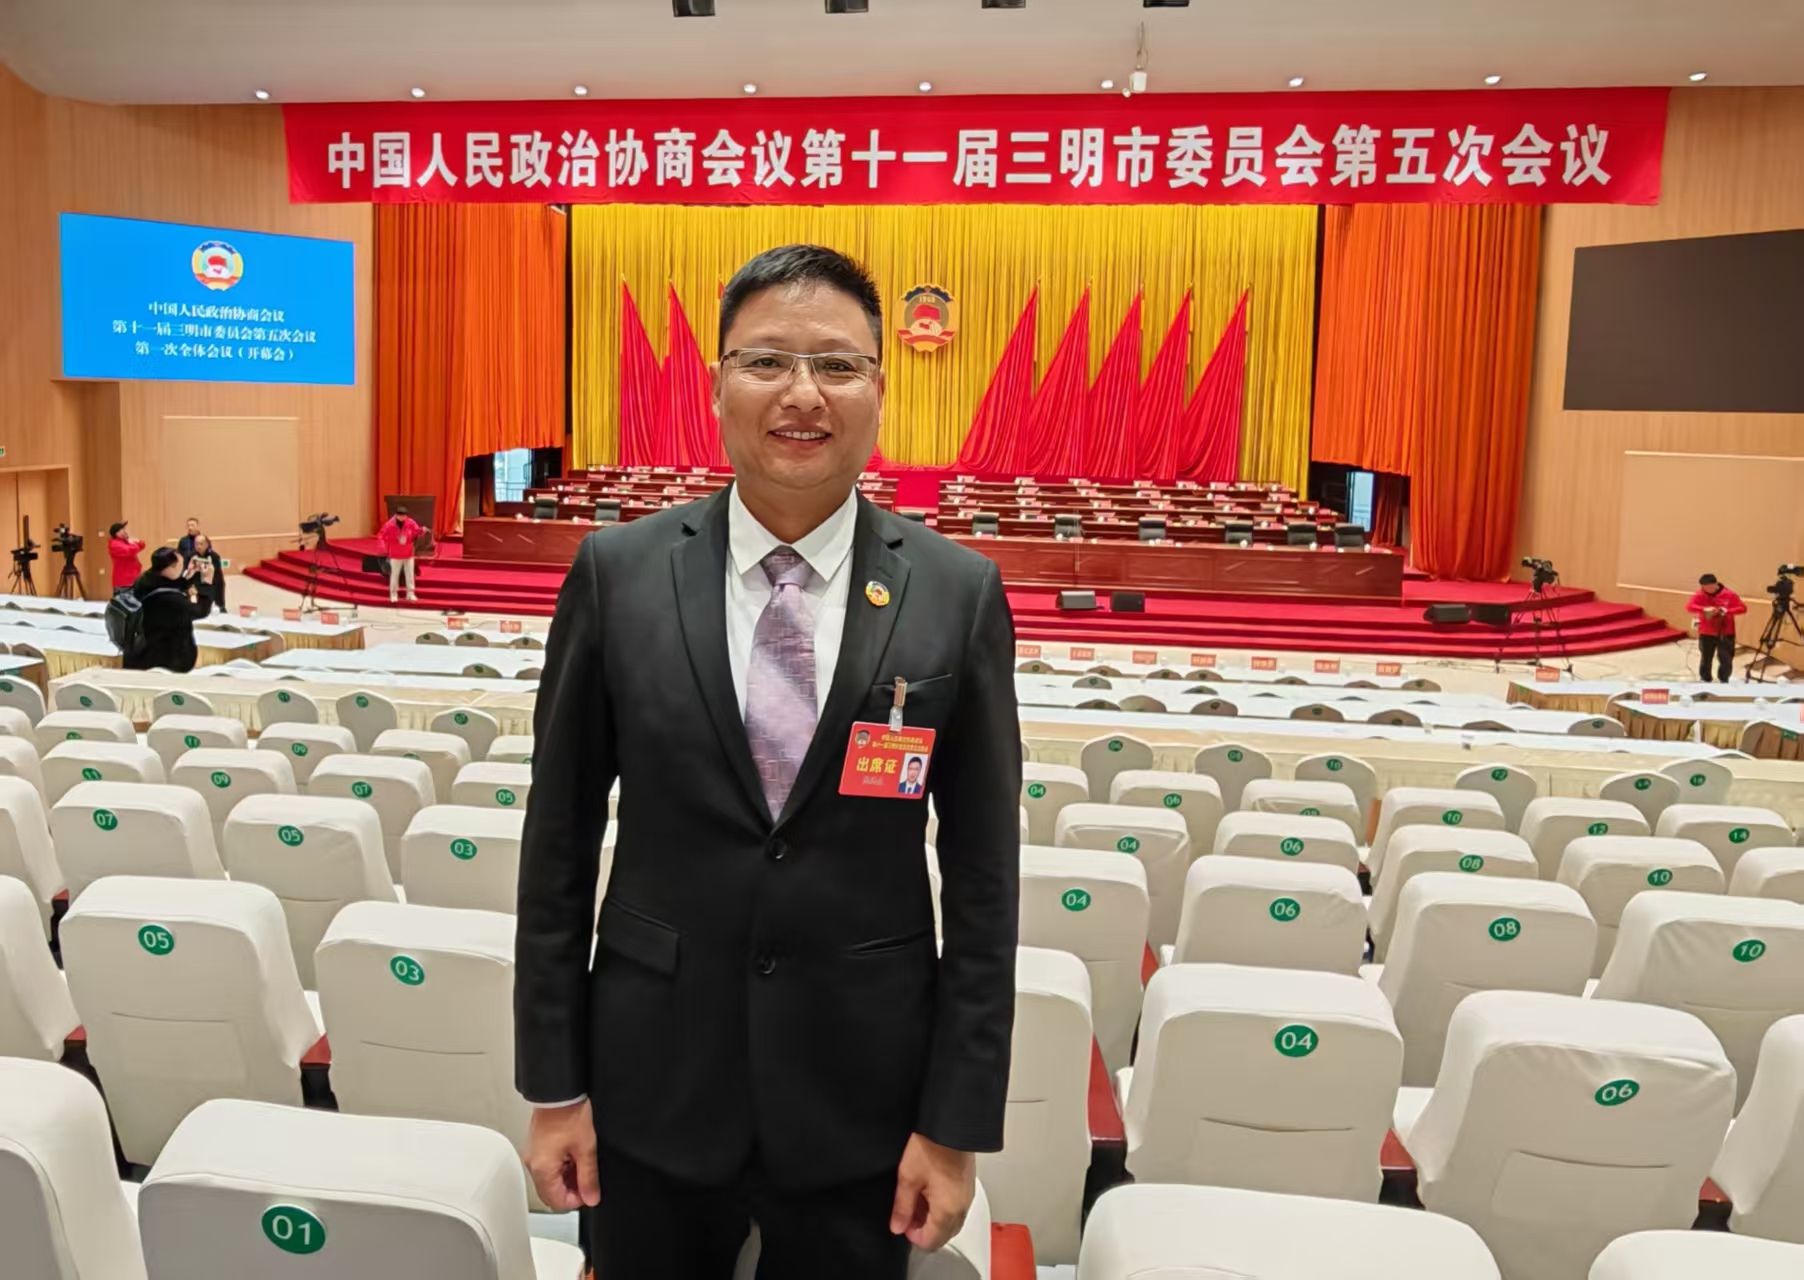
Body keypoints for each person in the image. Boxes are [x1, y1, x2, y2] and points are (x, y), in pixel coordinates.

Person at [516, 244, 1019, 1279]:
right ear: (716, 385)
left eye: (837, 364)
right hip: (649, 1084)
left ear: (880, 388)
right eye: (767, 361)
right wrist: (555, 1086)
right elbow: (557, 844)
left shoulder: (956, 591)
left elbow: (984, 879)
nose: (803, 393)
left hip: (864, 1098)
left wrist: (955, 1121)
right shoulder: (618, 574)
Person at [125, 546, 214, 672]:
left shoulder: (143, 581)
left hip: (140, 650)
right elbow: (200, 611)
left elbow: (169, 583)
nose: (182, 568)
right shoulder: (172, 600)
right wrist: (207, 582)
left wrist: (188, 575)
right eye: (181, 565)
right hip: (167, 657)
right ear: (172, 566)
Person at [1687, 573, 1746, 682]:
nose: (1707, 590)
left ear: (1715, 584)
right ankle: (1705, 678)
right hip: (1706, 632)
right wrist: (1704, 609)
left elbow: (1742, 608)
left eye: (1710, 587)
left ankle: (1724, 679)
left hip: (1725, 632)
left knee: (1726, 658)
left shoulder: (1729, 594)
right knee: (1706, 657)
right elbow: (1689, 606)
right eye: (1704, 588)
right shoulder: (1700, 594)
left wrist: (1727, 611)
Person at [377, 505, 423, 603]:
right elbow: (381, 535)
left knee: (410, 574)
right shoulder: (389, 525)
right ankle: (393, 594)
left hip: (408, 552)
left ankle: (410, 593)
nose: (402, 517)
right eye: (400, 515)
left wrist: (421, 531)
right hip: (395, 553)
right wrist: (382, 547)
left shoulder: (411, 522)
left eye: (404, 516)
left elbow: (416, 531)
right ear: (396, 515)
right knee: (395, 574)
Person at [106, 521, 145, 595]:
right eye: (123, 529)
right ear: (117, 533)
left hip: (133, 578)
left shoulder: (125, 542)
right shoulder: (115, 545)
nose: (125, 531)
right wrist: (132, 542)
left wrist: (134, 542)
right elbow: (132, 550)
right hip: (124, 582)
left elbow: (141, 545)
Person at [190, 532, 226, 610]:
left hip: (213, 583)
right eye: (196, 544)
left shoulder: (214, 556)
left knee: (218, 605)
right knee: (202, 607)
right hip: (198, 584)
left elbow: (217, 575)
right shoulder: (191, 556)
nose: (198, 546)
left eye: (201, 544)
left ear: (207, 544)